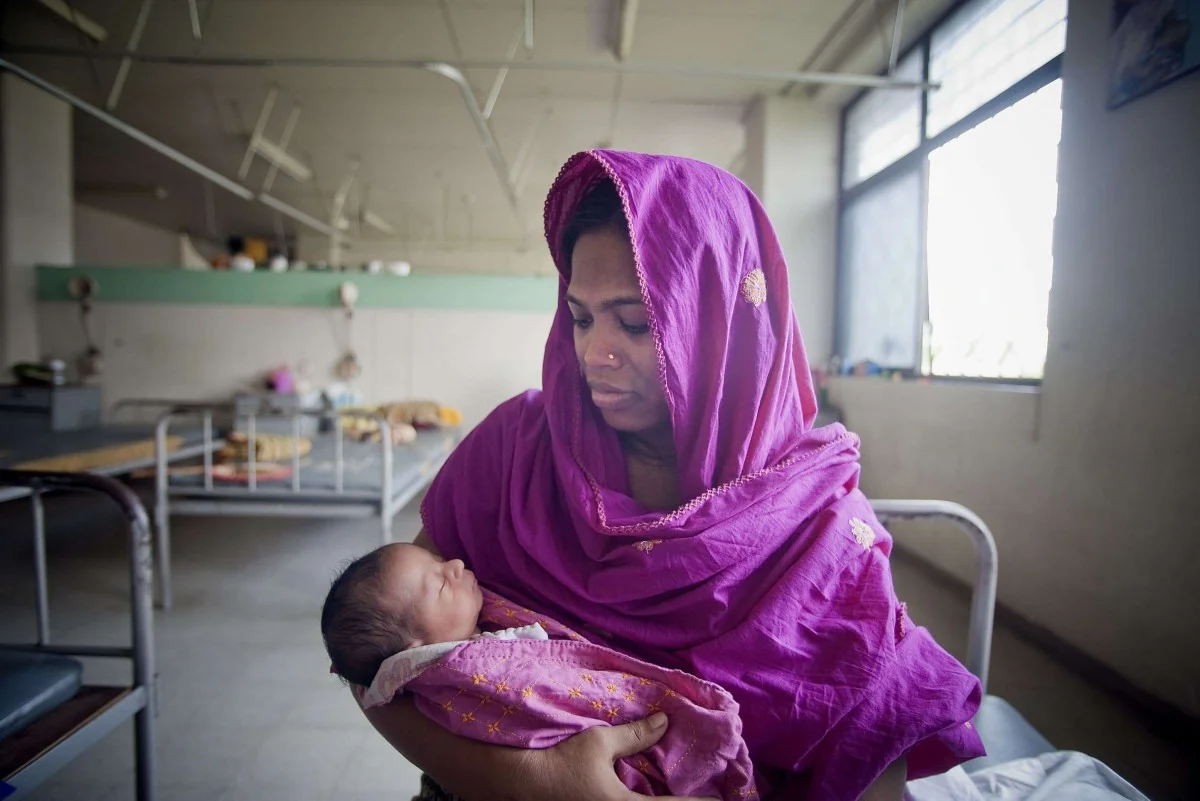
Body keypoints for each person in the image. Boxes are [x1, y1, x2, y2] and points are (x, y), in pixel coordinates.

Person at [360, 150, 985, 801]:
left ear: (724, 326)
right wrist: (531, 781)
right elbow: (374, 651)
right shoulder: (515, 454)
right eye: (580, 317)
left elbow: (873, 748)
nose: (594, 353)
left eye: (635, 322)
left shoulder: (820, 527)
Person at [322, 543, 758, 799]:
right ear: (414, 655)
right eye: (439, 582)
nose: (453, 565)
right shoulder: (460, 675)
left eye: (438, 561)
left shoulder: (467, 635)